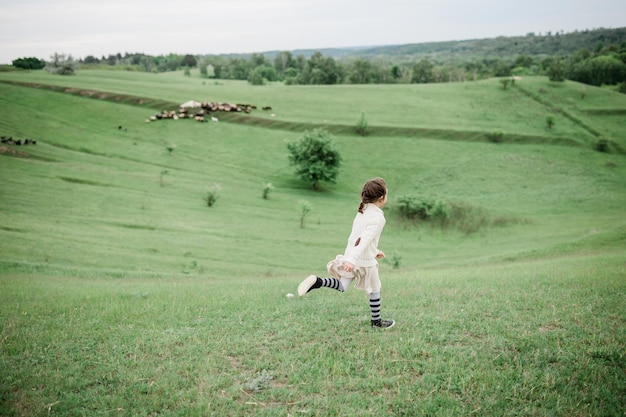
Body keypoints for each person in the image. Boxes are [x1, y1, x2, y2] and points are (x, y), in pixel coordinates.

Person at [297, 177, 395, 329]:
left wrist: (371, 252)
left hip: (352, 256)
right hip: (363, 261)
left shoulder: (363, 211)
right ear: (382, 198)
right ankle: (376, 322)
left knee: (342, 286)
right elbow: (364, 240)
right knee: (375, 288)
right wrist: (356, 258)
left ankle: (318, 282)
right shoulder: (378, 217)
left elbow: (359, 238)